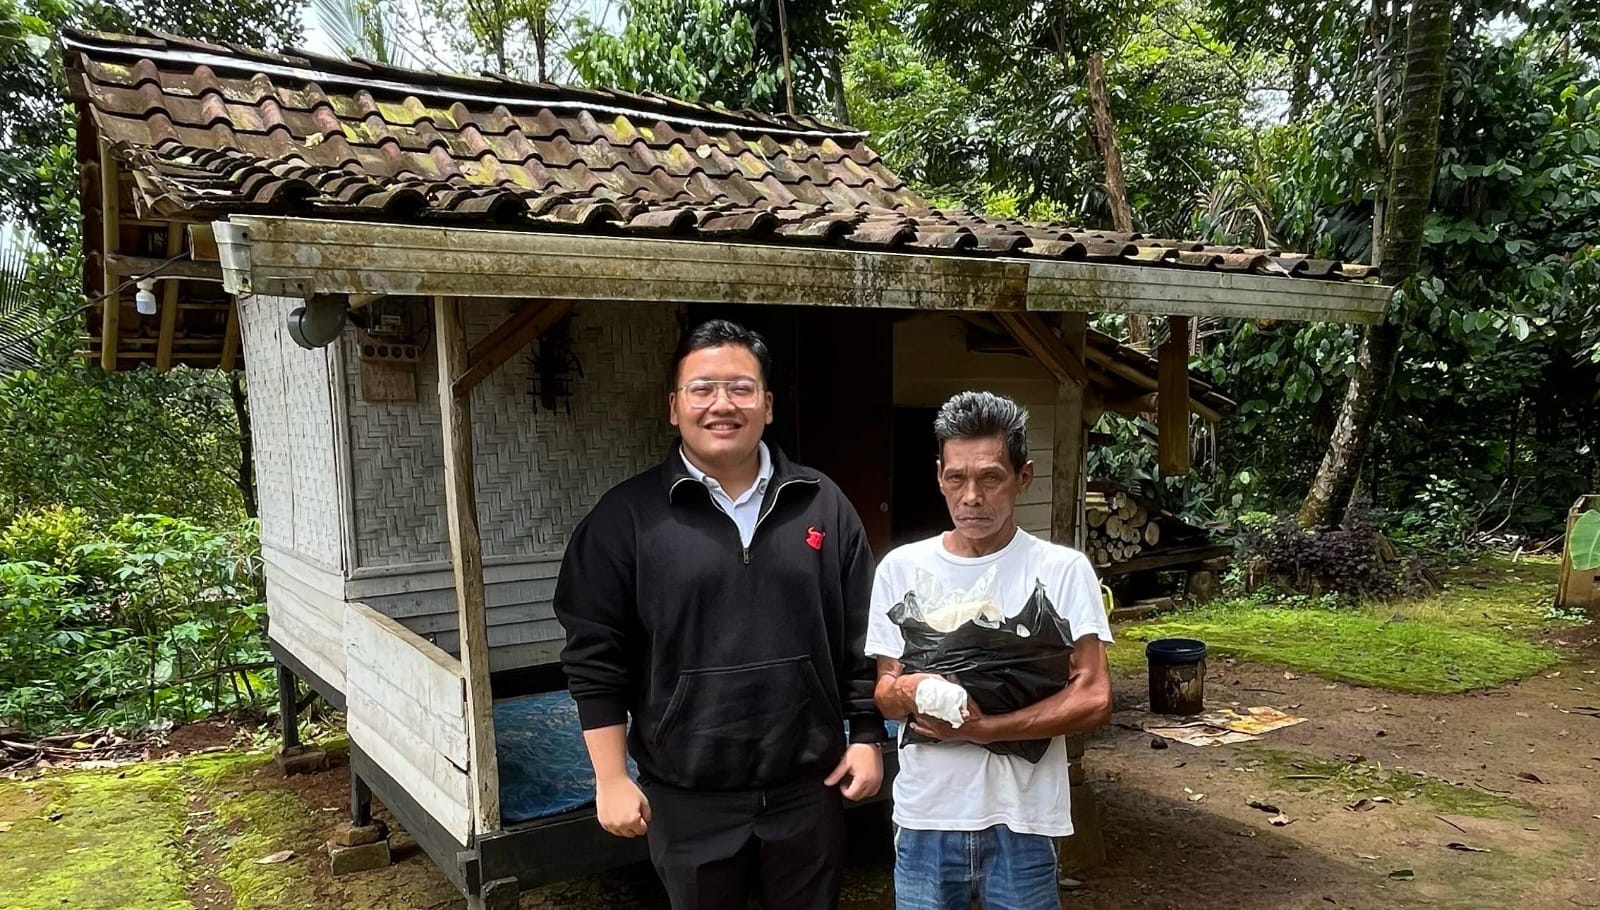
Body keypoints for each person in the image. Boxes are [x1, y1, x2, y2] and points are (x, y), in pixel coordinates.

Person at [553, 318, 887, 910]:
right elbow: (595, 658)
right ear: (674, 407)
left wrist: (865, 736)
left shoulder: (822, 503)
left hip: (807, 789)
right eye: (702, 389)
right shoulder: (624, 520)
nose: (722, 405)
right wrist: (610, 778)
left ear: (768, 404)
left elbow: (861, 634)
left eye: (740, 387)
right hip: (688, 797)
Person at [867, 391, 1113, 910]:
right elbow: (886, 696)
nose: (972, 496)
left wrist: (987, 730)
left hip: (1023, 819)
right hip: (927, 817)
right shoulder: (900, 570)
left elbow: (1093, 697)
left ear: (1023, 477)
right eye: (956, 478)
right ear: (939, 476)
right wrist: (908, 688)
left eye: (990, 477)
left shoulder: (1062, 571)